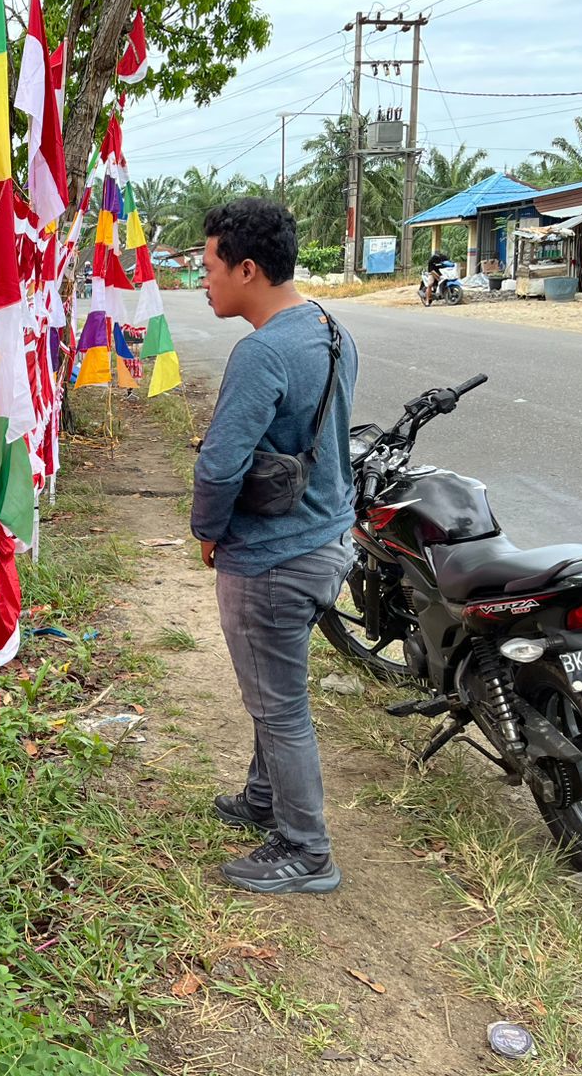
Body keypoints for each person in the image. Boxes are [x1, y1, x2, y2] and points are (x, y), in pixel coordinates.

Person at [192, 198, 359, 895]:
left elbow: (219, 465)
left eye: (209, 267)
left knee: (280, 706)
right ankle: (264, 800)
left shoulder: (261, 352)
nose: (204, 281)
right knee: (275, 688)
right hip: (328, 539)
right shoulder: (328, 328)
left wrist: (206, 531)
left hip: (273, 558)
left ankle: (305, 848)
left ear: (248, 269)